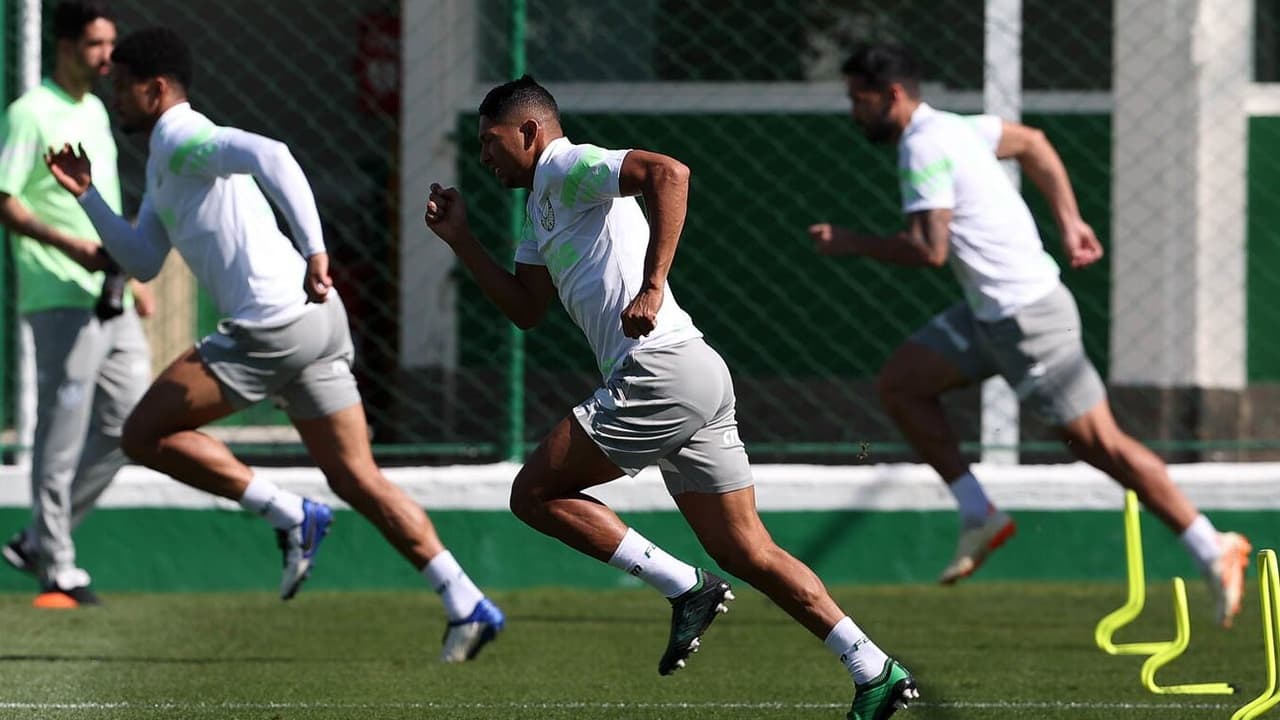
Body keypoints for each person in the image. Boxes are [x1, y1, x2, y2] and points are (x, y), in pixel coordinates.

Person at [426, 74, 918, 719]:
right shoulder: (539, 207)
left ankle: (683, 587)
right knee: (748, 551)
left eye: (491, 142)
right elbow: (525, 308)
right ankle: (874, 669)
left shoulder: (568, 164)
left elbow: (670, 173)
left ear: (529, 132)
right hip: (694, 374)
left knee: (534, 494)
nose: (484, 157)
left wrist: (653, 283)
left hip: (657, 371)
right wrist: (462, 240)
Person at [44, 26, 504, 661]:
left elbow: (275, 155)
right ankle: (466, 602)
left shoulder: (180, 134)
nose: (112, 97)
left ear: (154, 90)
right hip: (315, 323)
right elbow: (144, 259)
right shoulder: (161, 157)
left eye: (121, 87)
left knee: (141, 434)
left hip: (273, 324)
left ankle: (288, 512)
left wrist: (316, 250)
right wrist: (89, 196)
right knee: (358, 478)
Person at [808, 43, 1251, 628]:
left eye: (859, 101)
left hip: (1029, 319)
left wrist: (850, 242)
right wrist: (1069, 221)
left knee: (1103, 446)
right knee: (904, 385)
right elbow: (1034, 143)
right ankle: (980, 513)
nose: (853, 113)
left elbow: (928, 250)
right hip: (988, 316)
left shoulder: (923, 146)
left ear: (892, 95)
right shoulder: (957, 128)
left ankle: (1211, 545)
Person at [0, 0, 155, 608]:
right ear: (65, 46)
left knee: (131, 424)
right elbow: (6, 200)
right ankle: (57, 566)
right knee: (61, 435)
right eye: (96, 44)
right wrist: (75, 249)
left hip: (111, 293)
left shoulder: (96, 109)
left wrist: (131, 276)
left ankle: (40, 537)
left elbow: (106, 203)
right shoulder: (29, 113)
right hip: (60, 294)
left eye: (111, 43)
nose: (108, 57)